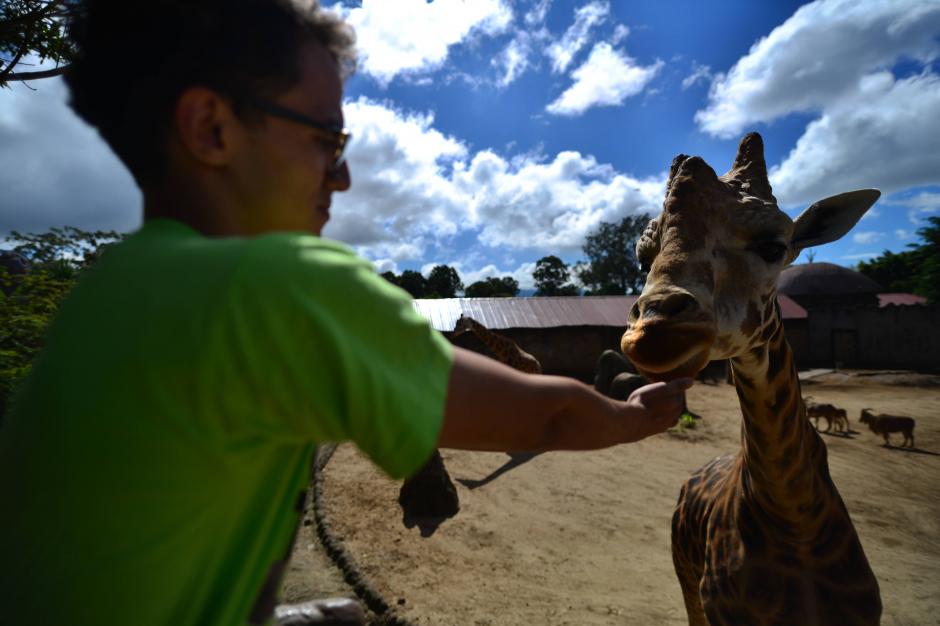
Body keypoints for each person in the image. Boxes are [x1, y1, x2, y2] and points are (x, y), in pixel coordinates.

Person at [0, 1, 692, 625]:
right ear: (211, 127)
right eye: (325, 141)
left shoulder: (108, 287)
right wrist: (638, 415)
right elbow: (548, 416)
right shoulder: (275, 288)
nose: (345, 176)